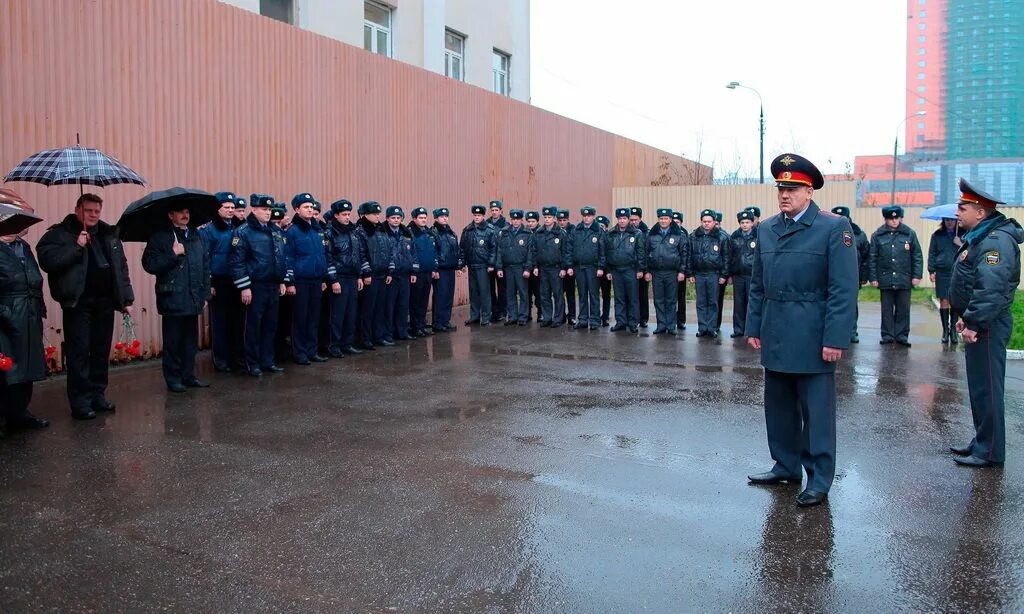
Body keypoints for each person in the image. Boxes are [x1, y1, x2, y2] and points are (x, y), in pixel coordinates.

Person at [746, 153, 859, 508]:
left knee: (817, 413)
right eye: (781, 187)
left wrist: (835, 337)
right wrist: (754, 326)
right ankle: (785, 465)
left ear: (809, 192)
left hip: (813, 334)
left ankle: (819, 478)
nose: (785, 194)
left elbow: (843, 288)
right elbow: (757, 285)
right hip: (777, 330)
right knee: (778, 407)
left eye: (793, 188)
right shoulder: (766, 228)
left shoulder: (832, 227)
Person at [37, 193, 134, 420]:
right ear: (77, 209)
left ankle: (97, 395)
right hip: (77, 302)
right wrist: (76, 246)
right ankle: (80, 401)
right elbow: (48, 261)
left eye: (96, 211)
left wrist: (126, 300)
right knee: (79, 352)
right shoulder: (60, 234)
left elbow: (120, 268)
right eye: (88, 210)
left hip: (104, 301)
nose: (93, 215)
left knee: (100, 350)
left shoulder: (108, 234)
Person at [948, 178, 1022, 468]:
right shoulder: (982, 236)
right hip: (980, 320)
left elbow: (990, 288)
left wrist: (975, 322)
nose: (957, 211)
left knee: (988, 387)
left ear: (980, 212)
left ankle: (989, 451)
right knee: (980, 387)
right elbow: (974, 283)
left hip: (989, 325)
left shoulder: (995, 241)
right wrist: (966, 316)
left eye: (962, 206)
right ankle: (982, 440)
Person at [141, 206, 211, 392]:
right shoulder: (160, 237)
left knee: (190, 341)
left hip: (193, 297)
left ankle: (188, 376)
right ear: (170, 215)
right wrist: (173, 254)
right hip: (172, 297)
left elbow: (204, 264)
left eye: (187, 211)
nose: (185, 215)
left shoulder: (196, 235)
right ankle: (173, 378)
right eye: (180, 212)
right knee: (173, 342)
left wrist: (204, 293)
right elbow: (149, 264)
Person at [0, 207, 49, 432]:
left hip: (28, 314)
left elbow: (34, 279)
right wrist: (6, 313)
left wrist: (39, 306)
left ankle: (20, 413)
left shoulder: (23, 247)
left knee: (28, 366)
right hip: (7, 317)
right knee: (7, 368)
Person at [229, 194, 290, 376]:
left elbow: (281, 257)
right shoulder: (243, 232)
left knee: (270, 326)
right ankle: (252, 363)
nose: (267, 213)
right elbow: (236, 262)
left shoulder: (274, 230)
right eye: (264, 209)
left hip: (272, 285)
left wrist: (281, 280)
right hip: (255, 286)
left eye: (269, 210)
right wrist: (244, 287)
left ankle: (267, 361)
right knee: (253, 327)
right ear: (253, 209)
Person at [200, 191, 244, 371]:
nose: (230, 210)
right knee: (220, 322)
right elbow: (205, 258)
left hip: (237, 280)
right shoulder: (209, 231)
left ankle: (236, 357)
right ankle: (221, 359)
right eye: (226, 207)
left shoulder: (238, 228)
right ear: (218, 209)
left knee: (237, 321)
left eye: (233, 208)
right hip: (219, 281)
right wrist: (208, 283)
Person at [285, 193, 330, 365]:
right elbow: (288, 257)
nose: (310, 210)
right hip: (301, 281)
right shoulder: (293, 231)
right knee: (300, 318)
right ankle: (300, 352)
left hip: (316, 280)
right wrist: (290, 282)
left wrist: (324, 278)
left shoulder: (317, 229)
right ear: (297, 209)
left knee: (313, 317)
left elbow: (322, 255)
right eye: (306, 207)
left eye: (311, 207)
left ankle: (312, 350)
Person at [868, 205, 923, 346]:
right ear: (885, 219)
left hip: (904, 276)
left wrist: (917, 275)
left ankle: (902, 336)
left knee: (903, 308)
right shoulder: (878, 235)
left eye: (896, 218)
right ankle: (887, 335)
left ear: (900, 218)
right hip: (885, 277)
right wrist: (873, 277)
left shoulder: (909, 234)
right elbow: (872, 257)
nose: (894, 221)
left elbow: (917, 256)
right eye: (890, 218)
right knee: (886, 309)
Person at [325, 199, 364, 356]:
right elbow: (328, 257)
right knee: (337, 314)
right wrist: (333, 279)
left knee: (350, 313)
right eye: (344, 214)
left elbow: (358, 255)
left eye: (349, 214)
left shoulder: (352, 232)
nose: (347, 217)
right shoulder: (330, 233)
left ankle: (347, 344)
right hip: (339, 278)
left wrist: (359, 276)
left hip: (352, 278)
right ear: (336, 215)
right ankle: (334, 346)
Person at [354, 201, 394, 349]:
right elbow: (361, 254)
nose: (377, 216)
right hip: (370, 276)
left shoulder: (380, 229)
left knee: (380, 307)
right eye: (374, 214)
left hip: (382, 274)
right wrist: (366, 273)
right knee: (367, 309)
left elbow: (388, 250)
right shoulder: (360, 231)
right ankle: (365, 338)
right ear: (364, 215)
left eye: (378, 213)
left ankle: (379, 336)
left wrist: (389, 270)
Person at [686, 209, 729, 338]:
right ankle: (702, 327)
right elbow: (689, 255)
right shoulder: (694, 236)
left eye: (709, 221)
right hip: (699, 274)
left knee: (712, 302)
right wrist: (690, 274)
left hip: (713, 274)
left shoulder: (721, 237)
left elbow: (726, 257)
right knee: (701, 302)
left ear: (714, 222)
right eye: (704, 221)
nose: (706, 224)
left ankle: (712, 328)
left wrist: (723, 275)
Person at [831, 206, 870, 343]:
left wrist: (864, 276)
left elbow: (866, 256)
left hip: (852, 276)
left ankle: (852, 331)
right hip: (831, 276)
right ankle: (833, 333)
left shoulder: (858, 234)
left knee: (851, 305)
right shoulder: (826, 232)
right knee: (832, 305)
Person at [645, 208, 687, 335]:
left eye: (666, 218)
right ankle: (661, 325)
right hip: (656, 272)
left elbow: (684, 254)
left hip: (672, 272)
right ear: (658, 219)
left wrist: (682, 271)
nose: (663, 221)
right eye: (661, 219)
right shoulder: (652, 234)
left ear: (670, 220)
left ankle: (671, 326)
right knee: (658, 300)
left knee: (671, 300)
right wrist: (647, 271)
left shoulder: (678, 234)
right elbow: (646, 253)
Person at [605, 207, 645, 333]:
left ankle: (633, 323)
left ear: (628, 219)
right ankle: (621, 322)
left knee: (633, 298)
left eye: (624, 218)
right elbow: (608, 253)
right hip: (616, 270)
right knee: (619, 298)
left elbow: (640, 252)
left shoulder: (636, 233)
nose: (622, 221)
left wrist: (640, 269)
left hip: (631, 270)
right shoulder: (611, 234)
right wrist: (609, 270)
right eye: (620, 218)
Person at [382, 206, 419, 342]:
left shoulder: (406, 232)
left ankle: (402, 331)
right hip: (391, 275)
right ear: (387, 218)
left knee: (403, 305)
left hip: (405, 274)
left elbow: (413, 253)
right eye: (393, 218)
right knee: (389, 305)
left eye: (398, 218)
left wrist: (414, 270)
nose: (396, 220)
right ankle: (388, 333)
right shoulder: (383, 232)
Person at [532, 206, 572, 328]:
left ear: (554, 218)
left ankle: (558, 318)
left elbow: (566, 252)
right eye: (546, 217)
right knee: (544, 294)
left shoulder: (561, 233)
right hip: (543, 268)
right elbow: (534, 251)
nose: (547, 219)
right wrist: (535, 266)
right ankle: (547, 317)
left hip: (556, 268)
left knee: (558, 294)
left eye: (549, 217)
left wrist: (563, 268)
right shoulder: (539, 232)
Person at [569, 206, 605, 331]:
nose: (586, 218)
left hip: (593, 268)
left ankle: (595, 320)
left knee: (594, 294)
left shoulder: (598, 231)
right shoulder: (576, 230)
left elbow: (602, 251)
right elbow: (570, 249)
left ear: (593, 216)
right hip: (579, 267)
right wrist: (569, 265)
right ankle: (583, 319)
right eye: (584, 216)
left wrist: (601, 267)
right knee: (582, 294)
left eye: (589, 216)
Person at [495, 209, 533, 326]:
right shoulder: (504, 232)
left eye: (517, 219)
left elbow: (530, 253)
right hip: (508, 267)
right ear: (511, 220)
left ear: (521, 220)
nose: (515, 221)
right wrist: (499, 267)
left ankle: (523, 316)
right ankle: (512, 316)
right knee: (510, 293)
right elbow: (499, 251)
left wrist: (527, 268)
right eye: (513, 219)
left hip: (520, 267)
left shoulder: (527, 233)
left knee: (523, 293)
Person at [461, 205, 497, 327]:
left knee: (485, 292)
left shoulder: (489, 230)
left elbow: (493, 248)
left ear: (483, 216)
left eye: (479, 216)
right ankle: (474, 316)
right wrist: (462, 263)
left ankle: (486, 316)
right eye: (475, 216)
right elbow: (463, 248)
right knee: (473, 292)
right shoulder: (467, 230)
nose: (477, 217)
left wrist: (491, 263)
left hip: (483, 265)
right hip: (472, 265)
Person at [929, 217, 963, 344]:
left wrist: (960, 243)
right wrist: (931, 270)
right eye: (947, 220)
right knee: (944, 300)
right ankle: (945, 331)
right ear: (943, 221)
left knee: (955, 300)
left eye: (952, 220)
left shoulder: (963, 234)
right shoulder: (937, 235)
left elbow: (971, 250)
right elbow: (932, 252)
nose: (950, 222)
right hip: (942, 271)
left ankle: (954, 331)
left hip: (958, 271)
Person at [430, 208, 461, 332]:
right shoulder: (434, 232)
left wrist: (458, 266)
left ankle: (445, 320)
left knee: (448, 295)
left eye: (446, 216)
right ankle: (437, 322)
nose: (444, 218)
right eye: (442, 216)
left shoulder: (450, 232)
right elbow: (434, 252)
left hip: (450, 268)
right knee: (440, 296)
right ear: (436, 218)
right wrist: (435, 269)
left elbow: (456, 250)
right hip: (441, 269)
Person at [408, 207, 438, 337]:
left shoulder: (429, 233)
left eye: (425, 217)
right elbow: (410, 254)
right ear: (414, 219)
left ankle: (421, 325)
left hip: (427, 272)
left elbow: (433, 252)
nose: (423, 220)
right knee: (415, 301)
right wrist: (413, 271)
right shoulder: (410, 233)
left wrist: (433, 268)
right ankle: (415, 327)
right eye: (420, 218)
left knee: (423, 301)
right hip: (417, 272)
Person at [729, 210, 757, 338]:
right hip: (738, 275)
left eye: (747, 222)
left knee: (752, 303)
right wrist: (729, 274)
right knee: (739, 303)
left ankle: (751, 330)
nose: (745, 225)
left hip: (752, 275)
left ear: (752, 223)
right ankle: (738, 330)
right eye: (742, 222)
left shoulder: (758, 236)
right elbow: (729, 256)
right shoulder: (734, 237)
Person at [629, 207, 650, 328]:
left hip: (642, 268)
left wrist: (646, 270)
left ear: (640, 219)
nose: (633, 222)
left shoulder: (646, 232)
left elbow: (648, 253)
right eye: (631, 219)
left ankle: (643, 318)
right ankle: (631, 318)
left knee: (642, 294)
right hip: (630, 268)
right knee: (631, 295)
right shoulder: (627, 232)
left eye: (635, 219)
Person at [487, 200, 508, 322]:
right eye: (492, 210)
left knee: (502, 289)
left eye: (496, 210)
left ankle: (502, 311)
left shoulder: (505, 225)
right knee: (490, 288)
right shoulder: (487, 224)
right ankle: (493, 311)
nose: (494, 212)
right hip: (490, 262)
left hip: (501, 262)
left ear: (501, 211)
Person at [557, 209, 578, 326]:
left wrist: (569, 266)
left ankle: (572, 316)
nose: (562, 222)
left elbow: (572, 250)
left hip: (569, 267)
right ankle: (561, 316)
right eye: (560, 220)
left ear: (568, 220)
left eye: (564, 220)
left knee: (570, 293)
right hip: (558, 267)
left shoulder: (573, 230)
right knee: (559, 293)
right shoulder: (555, 231)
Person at [713, 210, 730, 335]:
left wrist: (725, 274)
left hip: (720, 274)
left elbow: (727, 258)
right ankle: (710, 324)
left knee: (718, 300)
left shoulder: (725, 236)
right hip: (710, 274)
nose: (716, 226)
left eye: (718, 223)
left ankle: (716, 324)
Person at [672, 211, 689, 331]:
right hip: (670, 271)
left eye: (677, 222)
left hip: (681, 271)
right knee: (670, 298)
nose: (675, 224)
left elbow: (686, 254)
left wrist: (683, 271)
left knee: (681, 297)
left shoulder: (684, 234)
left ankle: (681, 320)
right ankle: (671, 320)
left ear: (681, 223)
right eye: (674, 222)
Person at [596, 215, 612, 327]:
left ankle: (605, 317)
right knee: (594, 294)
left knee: (606, 295)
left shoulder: (609, 237)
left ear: (606, 227)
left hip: (606, 270)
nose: (600, 228)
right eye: (598, 226)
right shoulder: (593, 236)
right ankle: (596, 316)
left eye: (602, 226)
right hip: (595, 269)